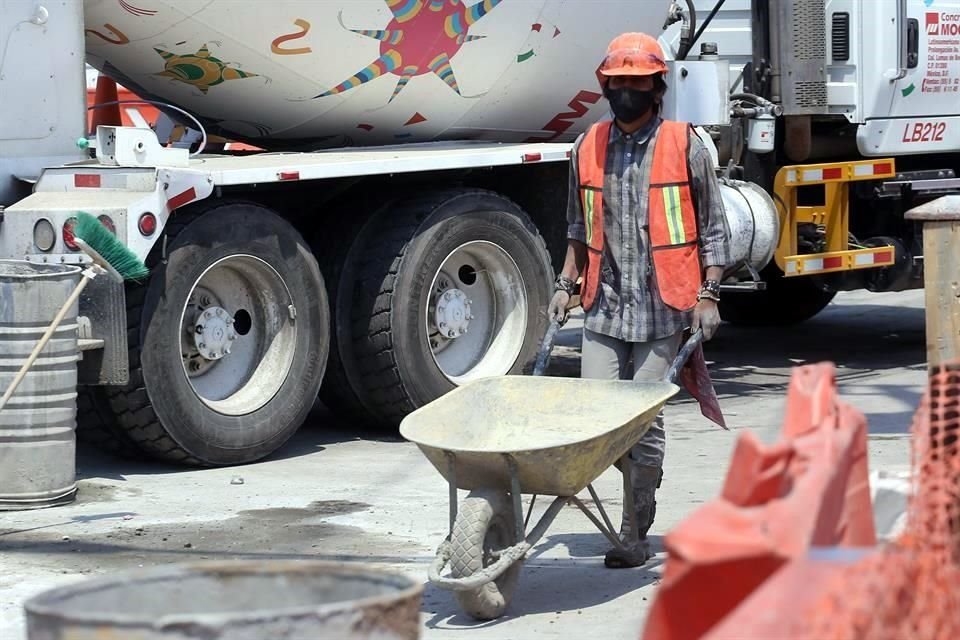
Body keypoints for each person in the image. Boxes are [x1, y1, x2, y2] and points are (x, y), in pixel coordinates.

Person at [548, 32, 732, 568]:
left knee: (643, 421)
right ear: (606, 87)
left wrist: (709, 294)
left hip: (663, 307)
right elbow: (577, 227)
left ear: (657, 88)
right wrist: (564, 284)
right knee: (597, 421)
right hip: (603, 306)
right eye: (619, 82)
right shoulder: (587, 146)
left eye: (638, 82)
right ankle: (632, 496)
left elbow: (714, 230)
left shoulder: (685, 144)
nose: (627, 90)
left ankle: (635, 526)